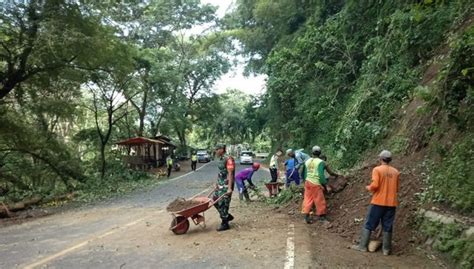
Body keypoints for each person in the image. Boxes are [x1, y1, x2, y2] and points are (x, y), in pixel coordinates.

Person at [352, 150, 400, 255]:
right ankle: (386, 250)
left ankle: (363, 246)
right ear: (390, 160)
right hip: (391, 203)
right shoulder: (396, 172)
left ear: (380, 159)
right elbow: (396, 189)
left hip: (378, 202)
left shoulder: (377, 170)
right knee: (388, 225)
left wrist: (368, 187)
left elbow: (375, 185)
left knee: (369, 223)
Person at [301, 146, 331, 224]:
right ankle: (322, 218)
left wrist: (305, 181)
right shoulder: (321, 162)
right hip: (315, 183)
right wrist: (325, 184)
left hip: (307, 182)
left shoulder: (307, 161)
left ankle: (306, 217)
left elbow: (303, 173)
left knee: (307, 199)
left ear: (312, 152)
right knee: (319, 200)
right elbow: (321, 176)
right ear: (320, 153)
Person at [213, 144, 236, 231]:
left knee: (223, 203)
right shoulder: (221, 159)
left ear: (222, 149)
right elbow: (220, 172)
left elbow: (230, 173)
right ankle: (226, 216)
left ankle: (225, 223)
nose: (215, 151)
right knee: (214, 200)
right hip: (220, 184)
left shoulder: (228, 159)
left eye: (217, 149)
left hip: (227, 184)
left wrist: (230, 188)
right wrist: (216, 183)